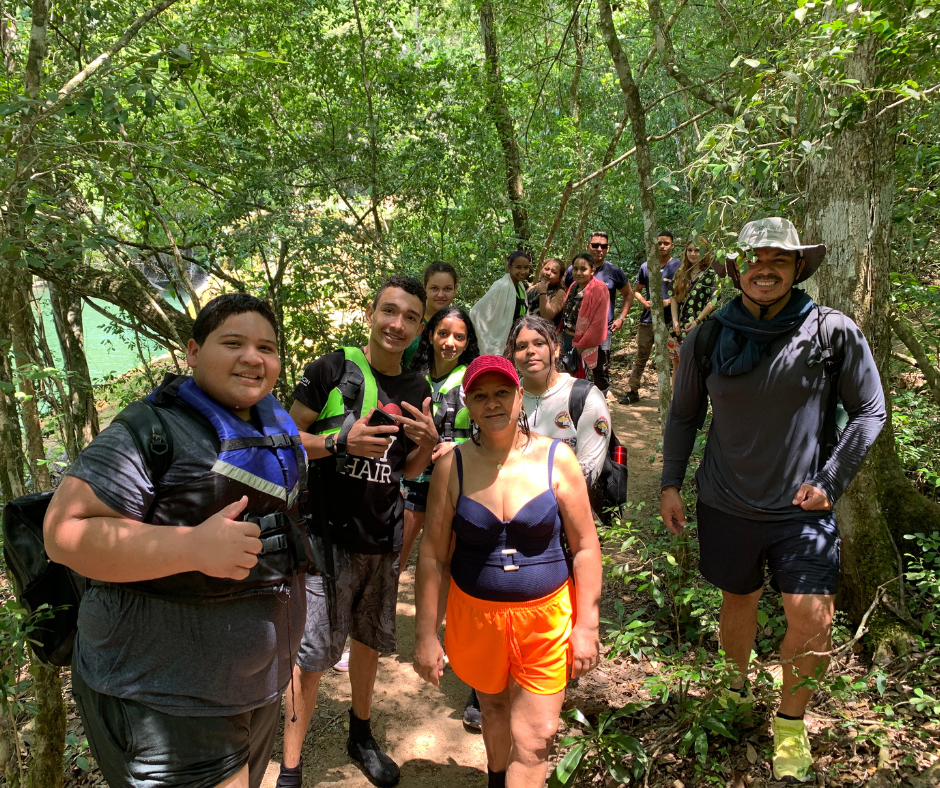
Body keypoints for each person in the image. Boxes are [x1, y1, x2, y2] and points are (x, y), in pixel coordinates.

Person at [43, 294, 308, 788]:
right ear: (192, 350)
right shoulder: (151, 430)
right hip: (166, 700)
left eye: (267, 348)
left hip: (255, 691)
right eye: (233, 343)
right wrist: (191, 547)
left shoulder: (271, 423)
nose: (253, 357)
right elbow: (63, 532)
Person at [660, 218, 887, 783]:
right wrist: (670, 482)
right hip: (725, 499)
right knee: (738, 600)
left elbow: (871, 410)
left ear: (796, 269)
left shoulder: (830, 330)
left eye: (779, 261)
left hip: (802, 509)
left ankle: (790, 723)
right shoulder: (709, 335)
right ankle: (736, 694)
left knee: (811, 618)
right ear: (738, 268)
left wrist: (831, 483)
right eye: (755, 260)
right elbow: (685, 414)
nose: (765, 269)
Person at [413, 355, 602, 788]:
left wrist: (587, 625)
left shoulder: (558, 458)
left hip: (546, 620)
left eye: (502, 392)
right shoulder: (451, 466)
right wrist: (426, 633)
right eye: (480, 395)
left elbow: (587, 547)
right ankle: (497, 778)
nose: (492, 403)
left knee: (537, 737)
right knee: (493, 710)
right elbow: (434, 556)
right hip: (476, 618)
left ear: (520, 394)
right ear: (468, 404)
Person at [281, 275, 438, 788]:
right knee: (312, 657)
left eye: (410, 317)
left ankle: (361, 733)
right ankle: (290, 764)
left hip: (382, 537)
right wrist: (340, 442)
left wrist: (428, 442)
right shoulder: (332, 368)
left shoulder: (419, 389)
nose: (398, 324)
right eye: (389, 312)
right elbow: (282, 440)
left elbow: (409, 472)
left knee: (368, 642)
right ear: (371, 313)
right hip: (324, 539)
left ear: (419, 328)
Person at [507, 316, 611, 515]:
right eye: (521, 346)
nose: (530, 351)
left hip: (571, 515)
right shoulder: (504, 397)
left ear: (555, 349)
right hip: (510, 512)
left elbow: (589, 468)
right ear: (513, 354)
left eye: (539, 343)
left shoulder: (585, 396)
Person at [401, 305, 480, 564]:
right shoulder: (411, 378)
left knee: (445, 560)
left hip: (458, 481)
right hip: (414, 482)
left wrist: (459, 447)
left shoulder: (474, 379)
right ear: (431, 335)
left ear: (468, 342)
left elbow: (493, 433)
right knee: (395, 557)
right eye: (443, 334)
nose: (450, 343)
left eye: (459, 337)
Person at [564, 232, 635, 397]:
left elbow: (628, 294)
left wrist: (621, 317)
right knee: (573, 370)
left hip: (601, 332)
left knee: (599, 369)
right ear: (588, 246)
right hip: (572, 333)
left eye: (603, 246)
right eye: (595, 245)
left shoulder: (613, 271)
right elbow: (567, 299)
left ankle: (598, 407)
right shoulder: (573, 276)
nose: (599, 249)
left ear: (608, 249)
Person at [620, 231, 680, 404]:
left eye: (666, 243)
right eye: (659, 243)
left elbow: (682, 292)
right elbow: (636, 291)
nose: (662, 246)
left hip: (669, 321)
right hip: (647, 320)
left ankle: (669, 396)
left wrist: (668, 302)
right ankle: (633, 390)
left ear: (672, 245)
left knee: (671, 358)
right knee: (641, 356)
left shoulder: (678, 266)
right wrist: (645, 303)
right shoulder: (646, 266)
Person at [668, 237, 720, 387]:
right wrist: (675, 320)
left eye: (697, 250)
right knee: (676, 364)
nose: (693, 253)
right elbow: (673, 298)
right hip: (677, 328)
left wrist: (697, 321)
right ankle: (674, 401)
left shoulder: (711, 275)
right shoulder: (681, 272)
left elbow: (713, 302)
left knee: (695, 365)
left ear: (704, 252)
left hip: (699, 328)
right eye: (690, 250)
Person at [471, 250, 532, 355]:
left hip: (515, 339)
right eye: (518, 267)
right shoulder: (500, 286)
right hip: (501, 340)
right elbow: (476, 312)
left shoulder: (521, 287)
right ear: (509, 267)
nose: (523, 271)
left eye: (526, 267)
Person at [403, 260, 460, 368]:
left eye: (447, 289)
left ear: (455, 289)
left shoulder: (462, 324)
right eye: (434, 288)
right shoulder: (410, 320)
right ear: (425, 288)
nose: (440, 294)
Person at [561, 253, 609, 379]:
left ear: (592, 271)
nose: (578, 272)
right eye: (575, 269)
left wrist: (579, 349)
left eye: (583, 269)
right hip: (566, 338)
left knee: (579, 378)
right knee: (565, 377)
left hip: (582, 343)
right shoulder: (573, 286)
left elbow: (598, 323)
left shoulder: (599, 288)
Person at [525, 257, 566, 329]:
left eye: (554, 272)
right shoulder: (531, 289)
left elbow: (547, 317)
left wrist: (543, 293)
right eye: (546, 269)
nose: (548, 273)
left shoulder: (560, 293)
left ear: (560, 277)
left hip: (543, 334)